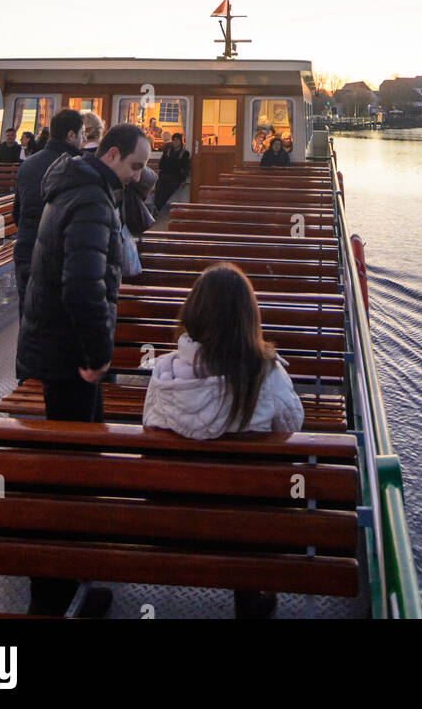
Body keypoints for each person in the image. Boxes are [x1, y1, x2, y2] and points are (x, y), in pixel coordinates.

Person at [17, 121, 152, 618]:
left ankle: (67, 579)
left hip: (54, 349)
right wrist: (97, 359)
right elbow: (83, 287)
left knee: (73, 467)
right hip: (70, 358)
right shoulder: (93, 200)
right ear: (112, 155)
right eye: (135, 166)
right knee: (71, 474)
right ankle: (51, 595)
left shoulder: (74, 185)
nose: (139, 176)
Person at [142, 261, 304, 619]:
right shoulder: (266, 374)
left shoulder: (165, 372)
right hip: (250, 527)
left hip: (172, 521)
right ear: (248, 319)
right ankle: (249, 598)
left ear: (193, 314)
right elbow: (293, 424)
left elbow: (150, 424)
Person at [11, 108, 85, 316]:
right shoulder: (77, 167)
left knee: (28, 319)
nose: (84, 139)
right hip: (58, 257)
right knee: (55, 325)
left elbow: (17, 212)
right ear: (71, 135)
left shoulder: (28, 164)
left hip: (25, 252)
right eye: (82, 134)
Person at [153, 132, 190, 212]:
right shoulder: (167, 151)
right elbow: (161, 165)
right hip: (165, 175)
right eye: (173, 140)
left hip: (176, 177)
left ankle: (157, 207)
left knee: (167, 190)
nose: (175, 142)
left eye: (177, 140)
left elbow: (181, 166)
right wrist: (173, 162)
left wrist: (170, 161)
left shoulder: (185, 153)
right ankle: (156, 206)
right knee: (159, 188)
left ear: (181, 141)